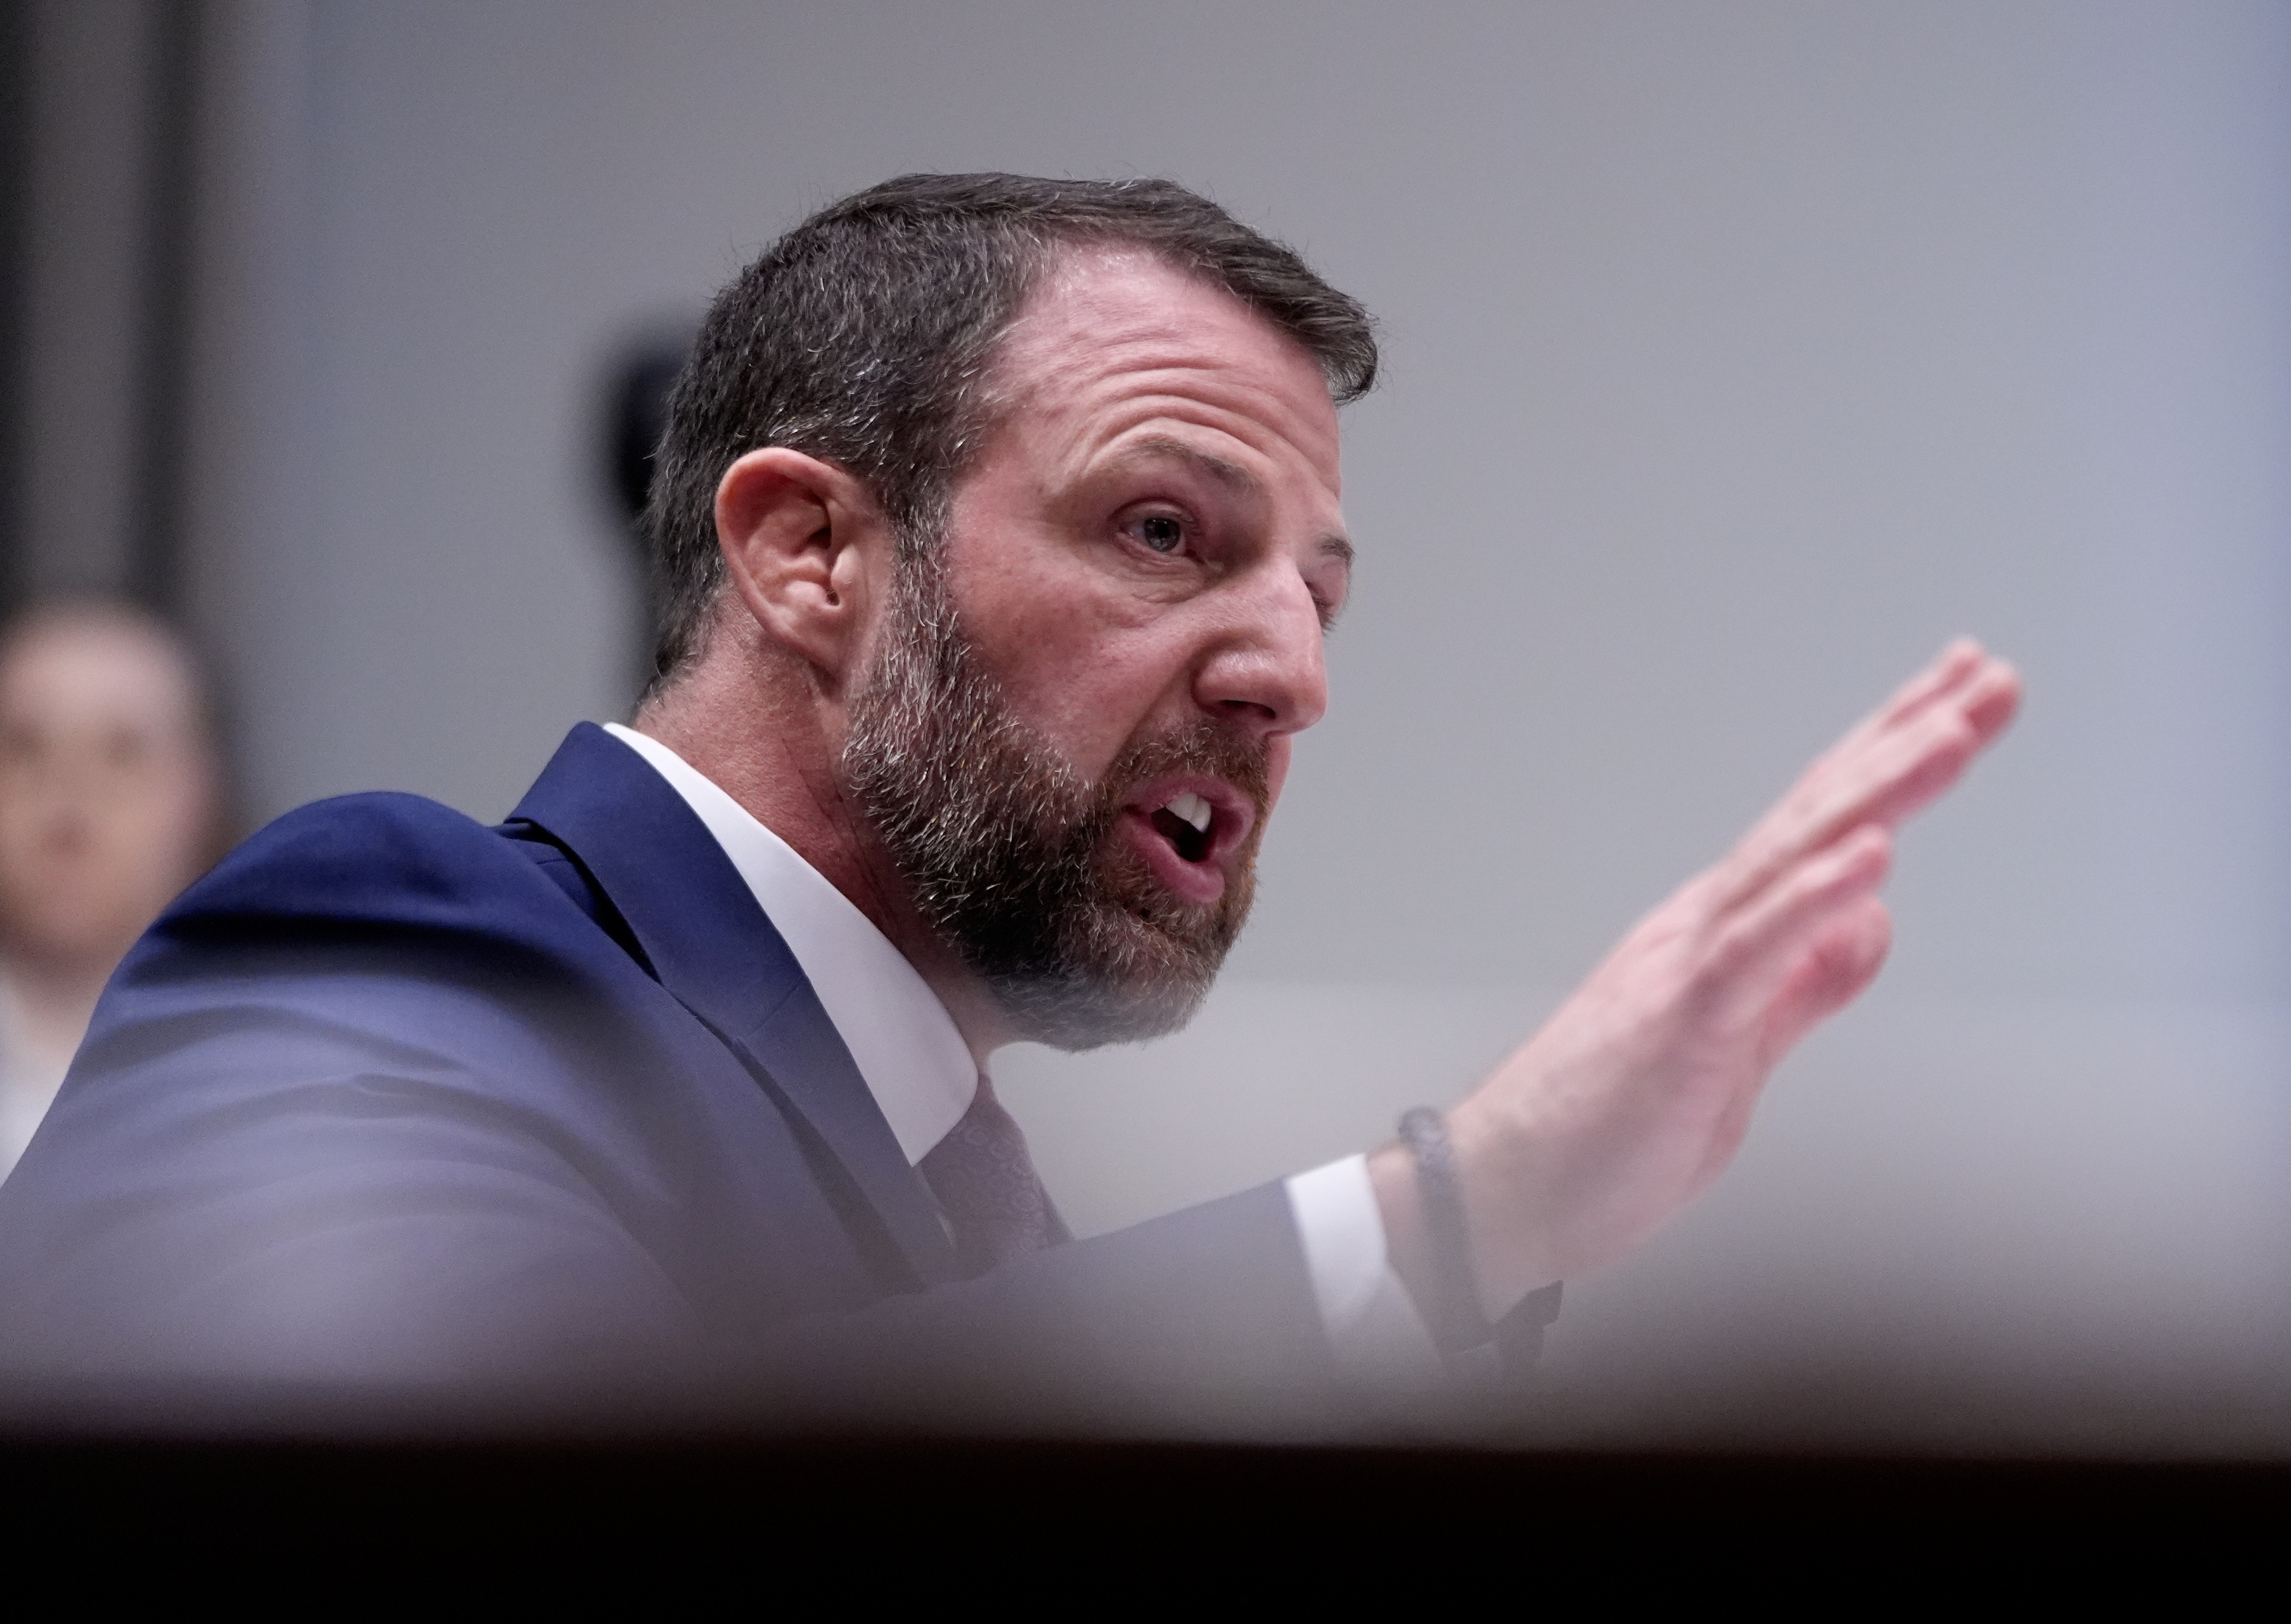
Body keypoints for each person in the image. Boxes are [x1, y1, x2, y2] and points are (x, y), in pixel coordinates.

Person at [0, 176, 2018, 1432]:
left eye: (1315, 595)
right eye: (1165, 528)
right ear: (809, 553)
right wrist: (1452, 1214)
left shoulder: (989, 1221)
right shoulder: (389, 938)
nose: (1290, 673)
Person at [0, 602, 222, 1183]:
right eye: (26, 750)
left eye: (122, 752)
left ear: (198, 793)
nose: (70, 805)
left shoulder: (277, 1083)